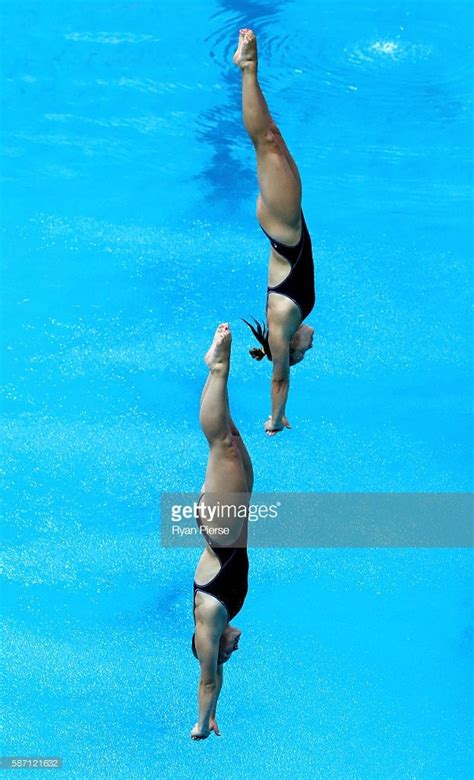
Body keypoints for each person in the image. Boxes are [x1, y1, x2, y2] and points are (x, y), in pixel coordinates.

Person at [234, 28, 316, 436]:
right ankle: (250, 71)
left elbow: (280, 377)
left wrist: (276, 416)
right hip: (287, 221)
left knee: (265, 141)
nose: (312, 346)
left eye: (305, 353)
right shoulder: (296, 316)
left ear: (289, 350)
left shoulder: (283, 326)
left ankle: (247, 68)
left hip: (283, 225)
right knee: (275, 140)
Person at [191, 323, 253, 740]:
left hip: (221, 527)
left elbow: (209, 678)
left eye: (228, 652)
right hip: (232, 520)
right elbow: (217, 682)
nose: (238, 643)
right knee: (231, 435)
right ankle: (218, 375)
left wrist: (199, 724)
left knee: (221, 444)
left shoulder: (210, 616)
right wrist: (215, 713)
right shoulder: (226, 613)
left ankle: (217, 368)